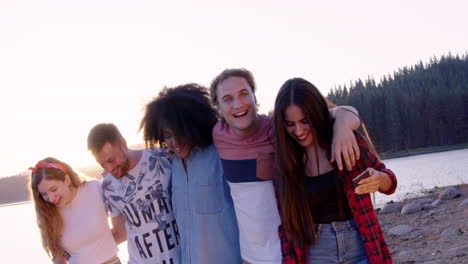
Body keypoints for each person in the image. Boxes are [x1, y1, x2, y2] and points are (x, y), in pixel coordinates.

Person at [209, 68, 362, 264]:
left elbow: (339, 113)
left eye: (244, 93)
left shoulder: (280, 130)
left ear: (255, 96)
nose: (238, 104)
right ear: (218, 107)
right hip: (250, 257)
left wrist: (342, 125)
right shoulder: (218, 136)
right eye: (227, 98)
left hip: (292, 252)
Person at [272, 77, 397, 263]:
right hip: (315, 252)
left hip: (361, 246)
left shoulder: (345, 140)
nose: (298, 131)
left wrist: (379, 179)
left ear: (316, 114)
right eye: (290, 124)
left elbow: (390, 182)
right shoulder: (284, 160)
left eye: (305, 121)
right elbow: (287, 227)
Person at [139, 84, 241, 264]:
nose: (175, 142)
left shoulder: (220, 157)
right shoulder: (174, 169)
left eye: (181, 133)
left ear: (193, 125)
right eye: (168, 136)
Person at [87, 123, 180, 264]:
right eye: (102, 164)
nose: (109, 169)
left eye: (111, 160)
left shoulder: (162, 158)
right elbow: (120, 232)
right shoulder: (108, 186)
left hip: (180, 257)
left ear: (123, 143)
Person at [30, 157, 120, 264]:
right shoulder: (49, 215)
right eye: (44, 194)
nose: (51, 198)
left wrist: (103, 247)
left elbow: (122, 229)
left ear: (67, 180)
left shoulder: (95, 189)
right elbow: (58, 259)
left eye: (53, 189)